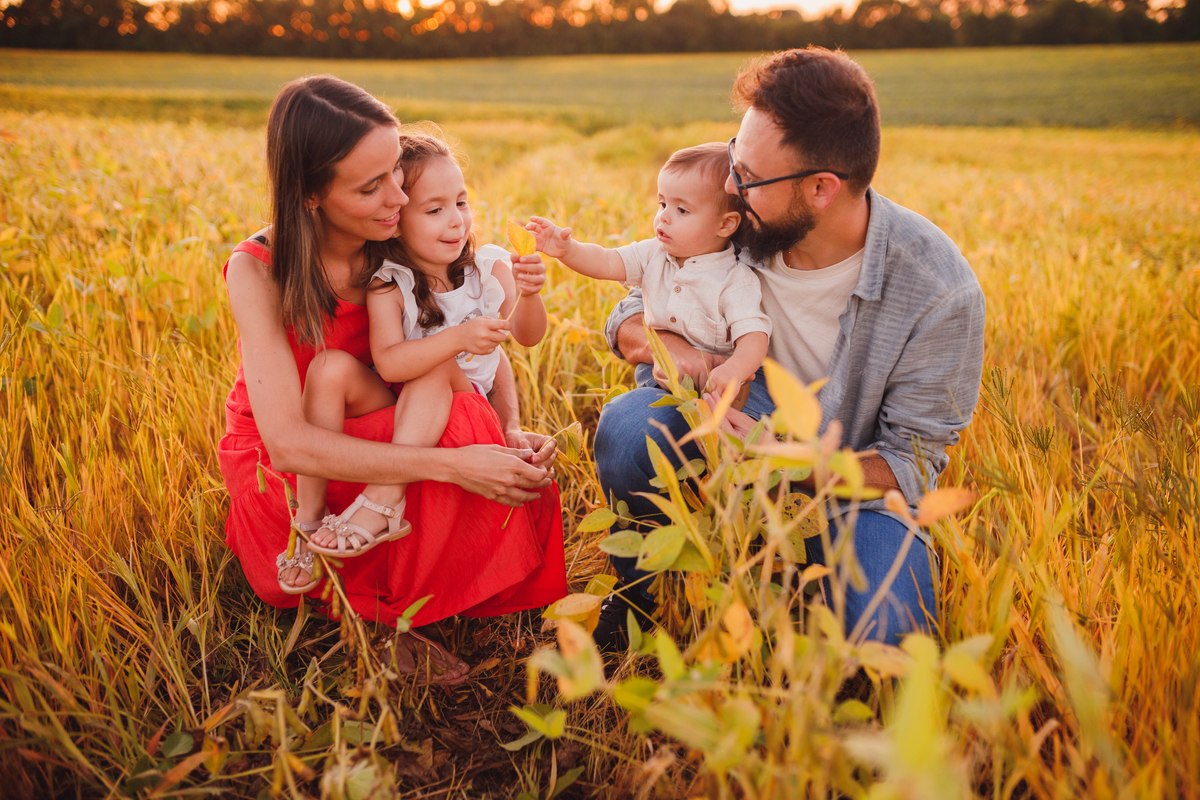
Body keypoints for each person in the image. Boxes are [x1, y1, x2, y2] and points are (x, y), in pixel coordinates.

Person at [592, 47, 986, 649]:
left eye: (747, 176)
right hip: (715, 437)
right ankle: (639, 595)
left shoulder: (938, 290)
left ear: (822, 188)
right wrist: (674, 350)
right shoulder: (738, 218)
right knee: (628, 428)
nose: (730, 185)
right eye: (734, 159)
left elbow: (910, 462)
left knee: (889, 631)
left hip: (841, 483)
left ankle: (794, 574)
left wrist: (787, 462)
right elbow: (629, 310)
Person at [218, 75, 567, 683]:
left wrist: (508, 425)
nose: (399, 200)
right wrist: (455, 466)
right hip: (303, 459)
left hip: (394, 416)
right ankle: (372, 617)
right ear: (310, 195)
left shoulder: (403, 244)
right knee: (454, 440)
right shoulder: (259, 270)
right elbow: (289, 444)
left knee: (466, 416)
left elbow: (474, 343)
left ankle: (404, 569)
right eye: (371, 187)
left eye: (398, 177)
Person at [293, 131, 550, 563]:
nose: (456, 221)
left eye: (461, 203)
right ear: (396, 220)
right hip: (402, 398)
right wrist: (458, 338)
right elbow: (389, 366)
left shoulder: (488, 268)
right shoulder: (390, 284)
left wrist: (529, 295)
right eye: (435, 210)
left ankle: (385, 494)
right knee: (327, 369)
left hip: (466, 404)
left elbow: (525, 336)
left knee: (436, 365)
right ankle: (309, 517)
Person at [526, 143, 770, 404]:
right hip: (657, 372)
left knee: (720, 417)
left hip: (716, 383)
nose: (664, 217)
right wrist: (567, 250)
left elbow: (754, 337)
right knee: (634, 412)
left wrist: (733, 371)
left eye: (682, 210)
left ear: (725, 224)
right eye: (662, 204)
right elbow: (606, 261)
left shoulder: (734, 279)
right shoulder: (654, 253)